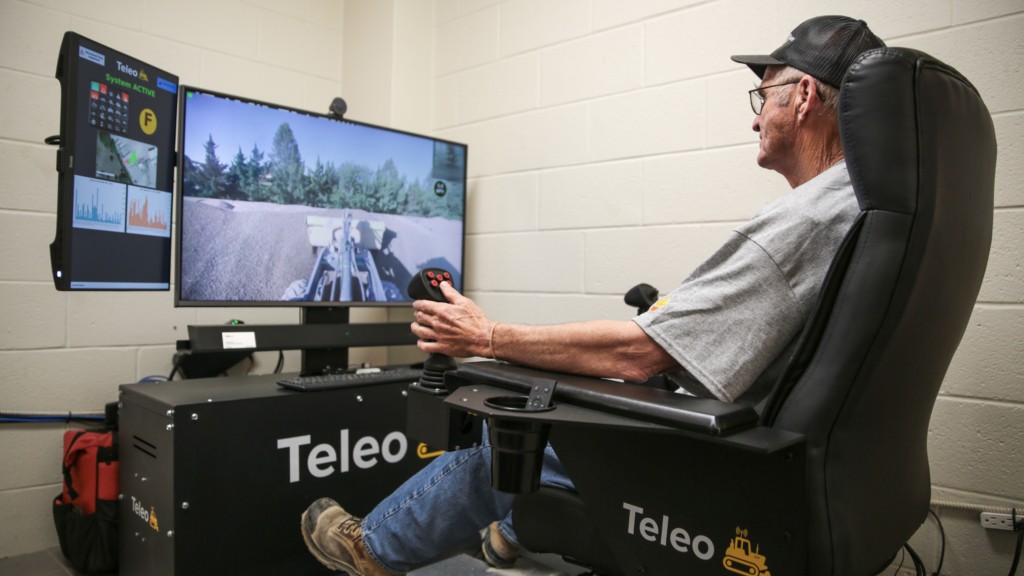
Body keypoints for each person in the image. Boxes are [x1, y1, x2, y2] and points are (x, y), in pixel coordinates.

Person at [301, 15, 885, 576]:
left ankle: (373, 550)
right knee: (563, 423)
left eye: (764, 99)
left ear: (804, 96)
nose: (755, 121)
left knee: (510, 428)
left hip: (722, 461)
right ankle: (510, 536)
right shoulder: (863, 208)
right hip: (793, 465)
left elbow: (638, 356)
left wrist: (488, 338)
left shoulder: (803, 221)